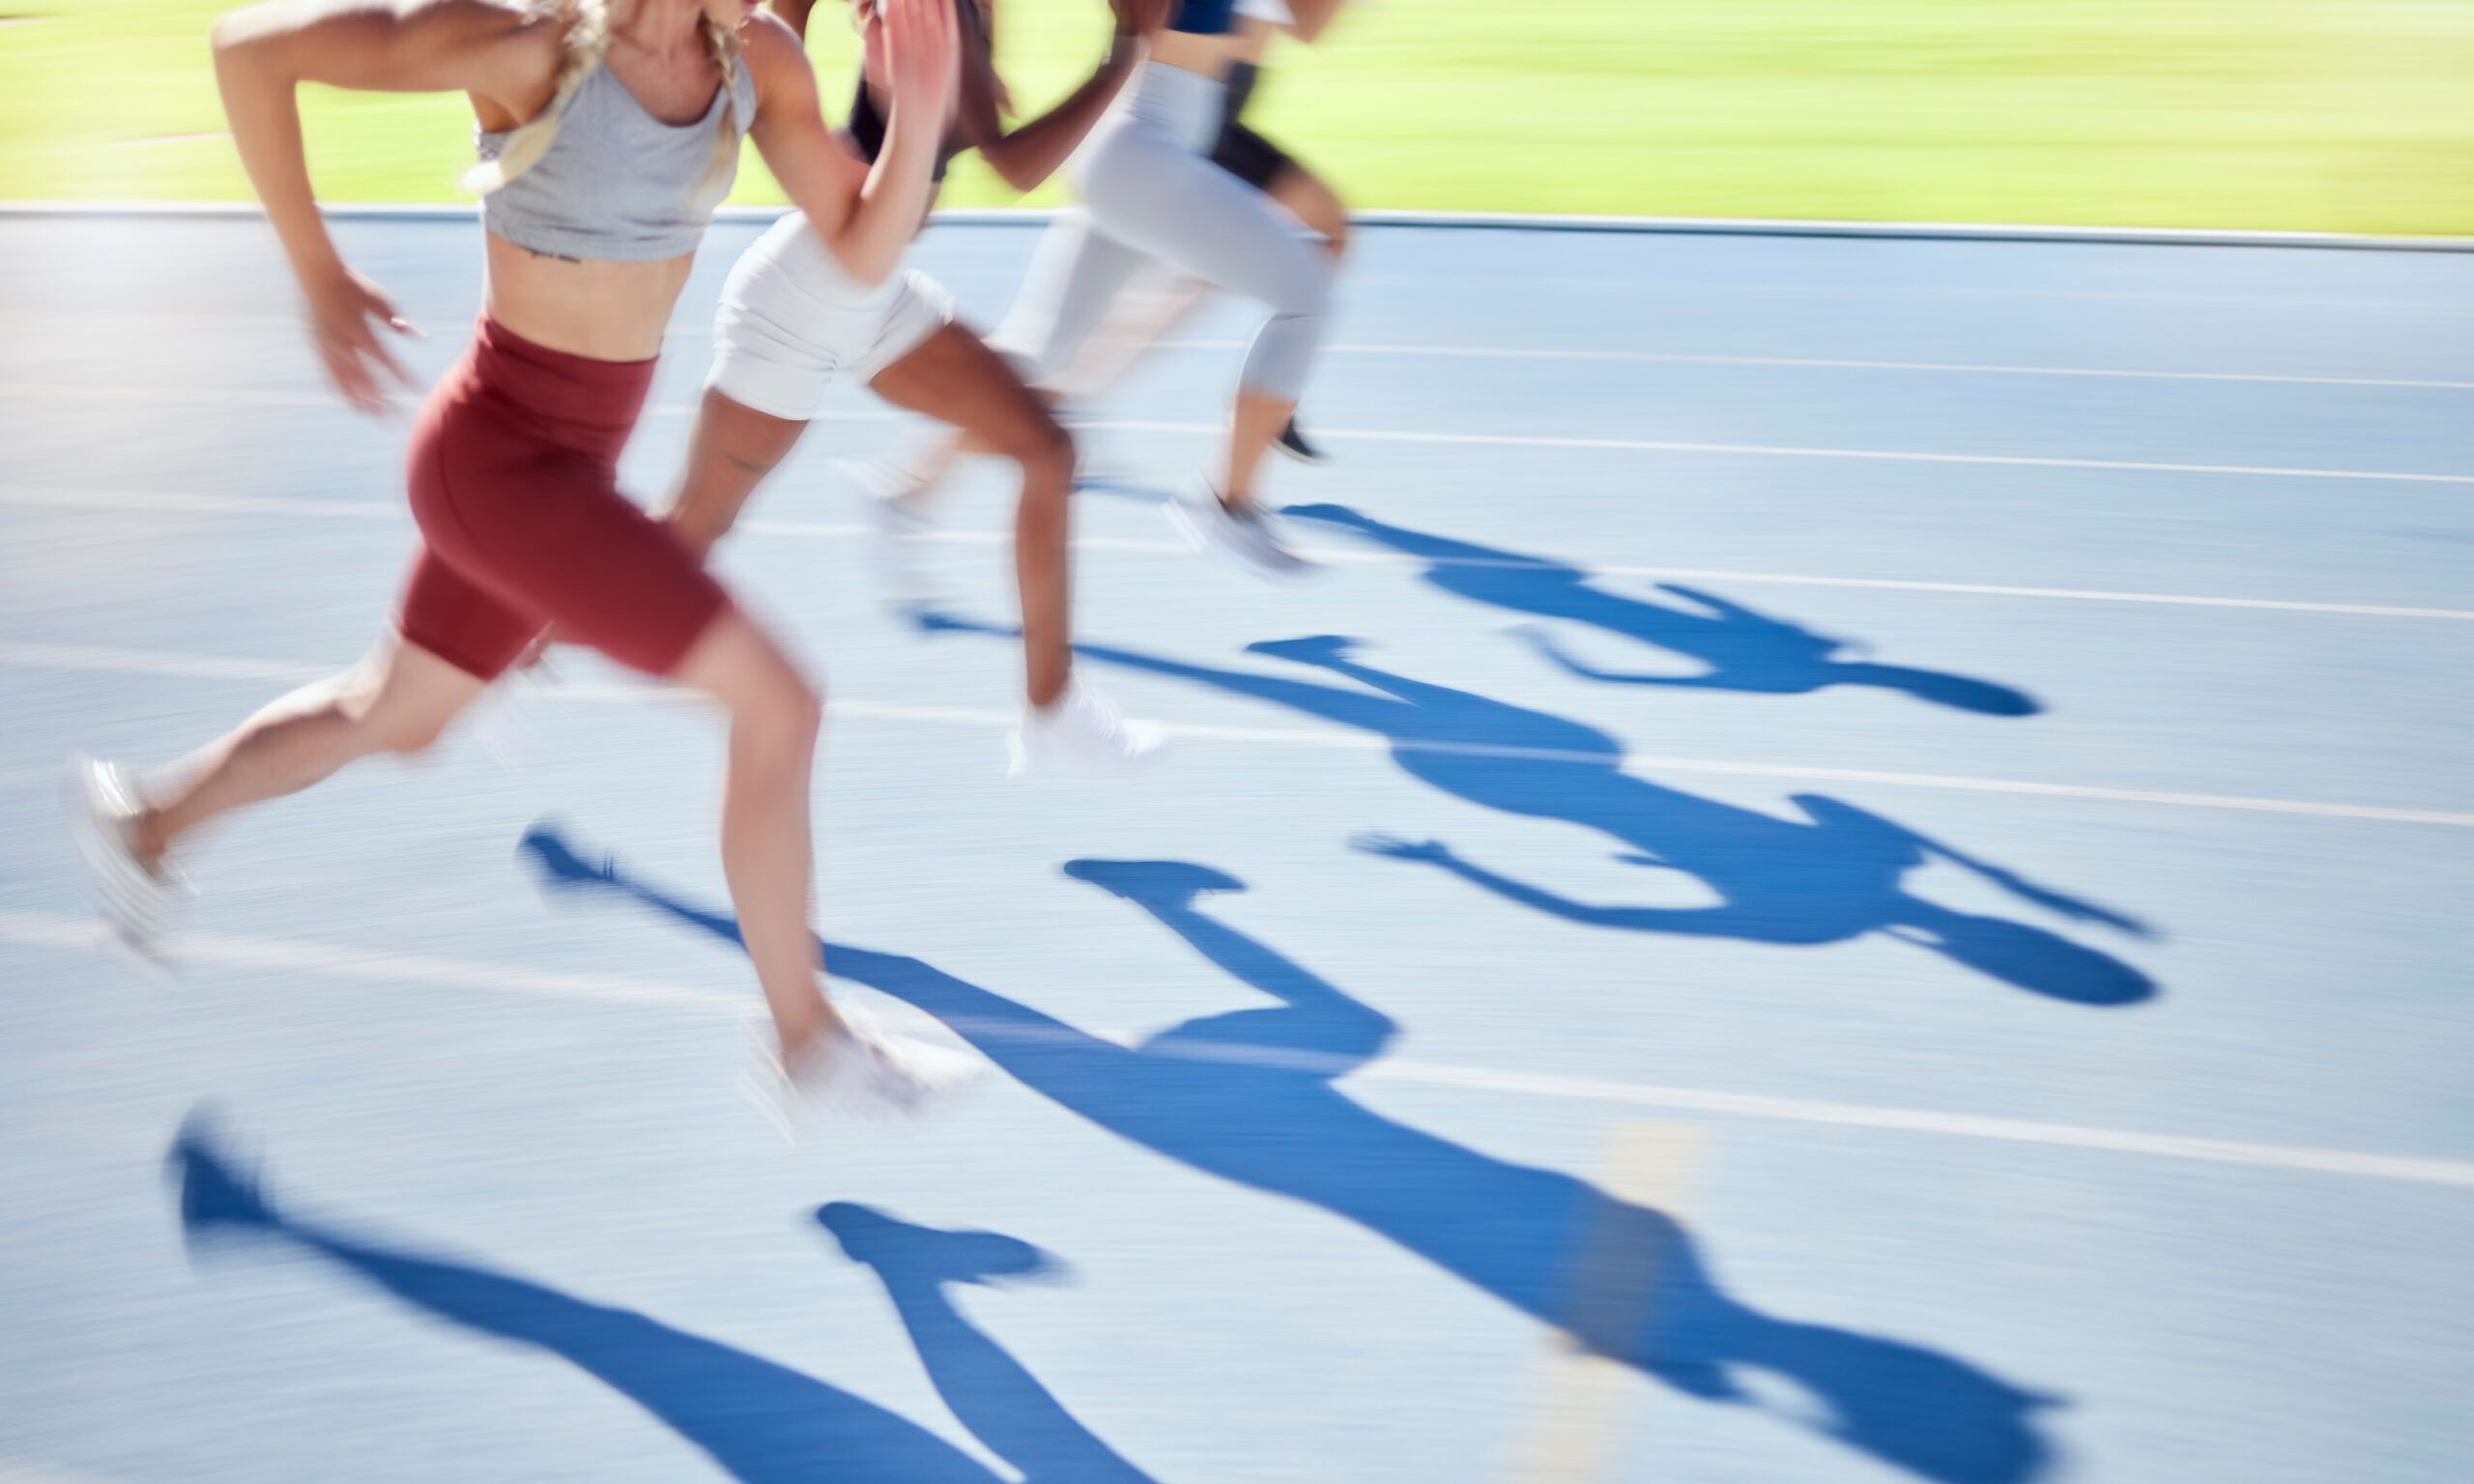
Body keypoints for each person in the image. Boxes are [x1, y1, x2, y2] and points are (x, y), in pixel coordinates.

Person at [66, 0, 975, 1124]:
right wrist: (318, 276)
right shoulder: (531, 48)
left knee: (392, 714)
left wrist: (922, 108)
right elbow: (250, 49)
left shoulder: (754, 59)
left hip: (565, 478)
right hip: (496, 469)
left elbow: (858, 244)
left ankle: (146, 819)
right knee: (778, 705)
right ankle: (805, 1039)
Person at [662, 0, 1166, 774]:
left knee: (1047, 451)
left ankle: (1050, 706)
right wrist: (1127, 52)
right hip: (802, 301)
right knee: (688, 536)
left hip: (871, 292)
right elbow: (1015, 165)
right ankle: (498, 636)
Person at [891, 0, 1350, 578]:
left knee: (1039, 356)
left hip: (1136, 155)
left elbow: (1308, 24)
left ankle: (905, 488)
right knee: (1305, 297)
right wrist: (981, 58)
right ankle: (1227, 505)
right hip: (1145, 158)